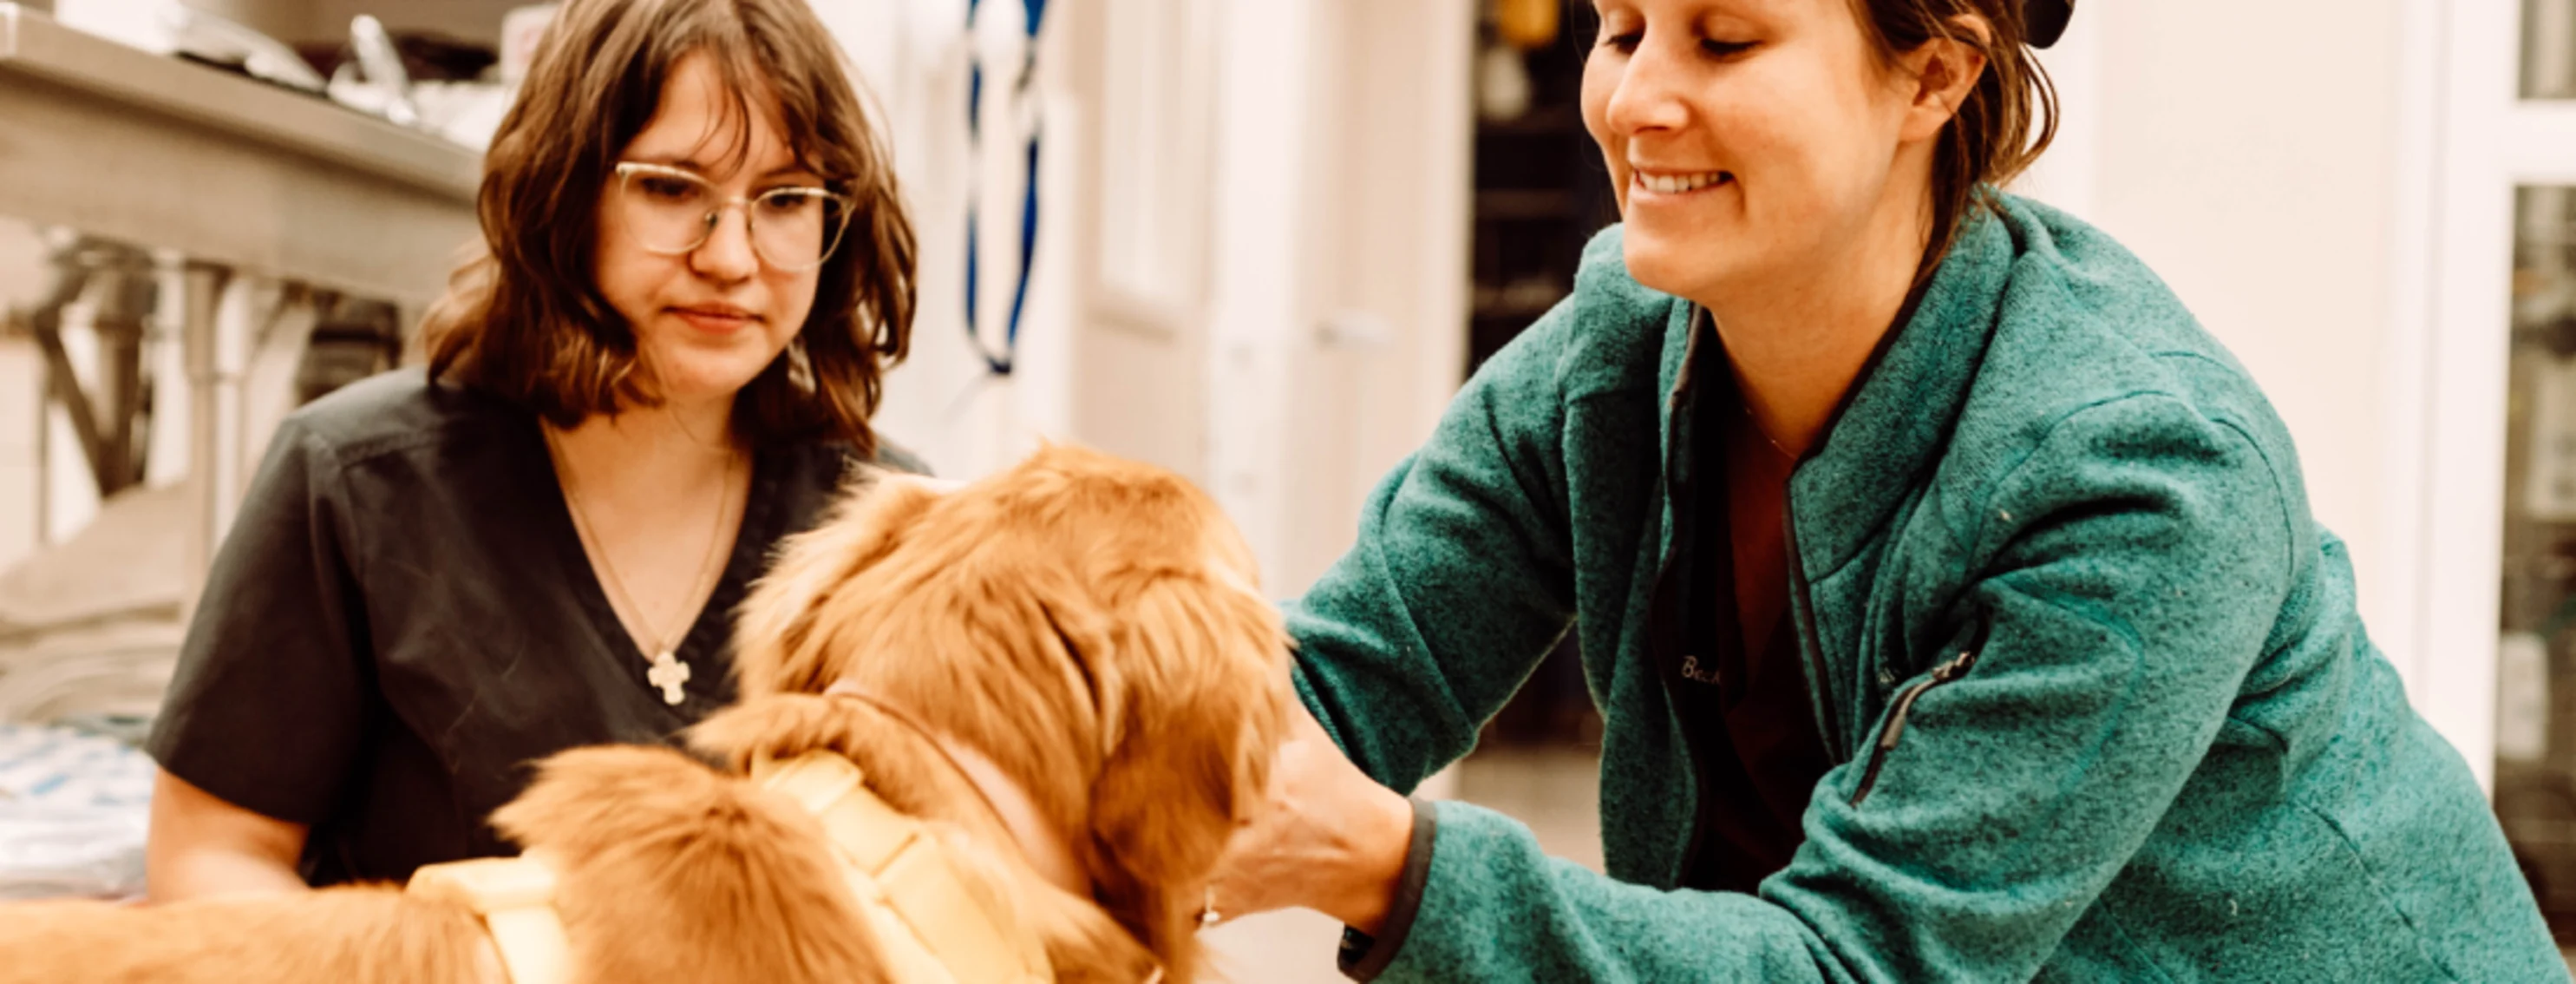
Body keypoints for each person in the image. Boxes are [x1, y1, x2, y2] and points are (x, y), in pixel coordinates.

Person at [1211, 0, 2568, 980]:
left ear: (1931, 72)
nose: (1632, 100)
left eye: (1722, 38)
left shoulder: (2142, 472)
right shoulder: (1613, 353)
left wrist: (1393, 865)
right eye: (1619, 27)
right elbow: (1341, 679)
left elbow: (1864, 965)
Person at [142, 0, 921, 898]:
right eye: (671, 188)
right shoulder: (356, 485)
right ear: (563, 191)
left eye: (785, 200)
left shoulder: (892, 536)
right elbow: (213, 855)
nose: (733, 257)